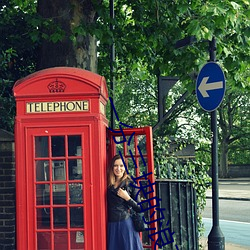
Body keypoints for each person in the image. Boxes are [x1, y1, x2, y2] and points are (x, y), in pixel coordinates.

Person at [107, 154, 144, 250]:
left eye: (121, 166)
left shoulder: (131, 183)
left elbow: (140, 208)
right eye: (115, 165)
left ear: (125, 168)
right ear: (112, 167)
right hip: (111, 225)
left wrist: (127, 198)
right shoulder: (108, 183)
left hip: (125, 223)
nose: (118, 168)